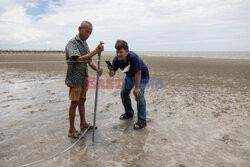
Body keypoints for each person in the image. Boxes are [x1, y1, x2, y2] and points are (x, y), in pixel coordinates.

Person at [65, 21, 104, 138]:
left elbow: (89, 60)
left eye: (90, 32)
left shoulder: (85, 44)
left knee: (82, 101)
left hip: (83, 78)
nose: (88, 34)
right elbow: (78, 59)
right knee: (74, 102)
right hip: (75, 78)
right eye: (87, 31)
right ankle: (71, 130)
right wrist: (95, 52)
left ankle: (83, 123)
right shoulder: (72, 43)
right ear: (79, 29)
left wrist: (97, 68)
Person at [107, 40, 149, 129]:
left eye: (121, 52)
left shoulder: (133, 57)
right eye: (117, 52)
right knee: (123, 93)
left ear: (127, 51)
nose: (118, 54)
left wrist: (137, 88)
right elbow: (112, 75)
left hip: (142, 76)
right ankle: (129, 113)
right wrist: (111, 70)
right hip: (130, 76)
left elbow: (138, 73)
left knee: (139, 95)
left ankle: (142, 120)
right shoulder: (116, 59)